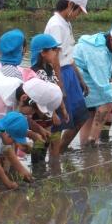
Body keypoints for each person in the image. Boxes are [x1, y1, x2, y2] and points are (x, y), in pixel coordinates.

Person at [73, 22, 112, 146]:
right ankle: (92, 141)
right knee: (107, 101)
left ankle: (86, 145)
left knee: (90, 113)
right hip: (78, 77)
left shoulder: (104, 41)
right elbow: (103, 85)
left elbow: (105, 78)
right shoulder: (98, 53)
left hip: (87, 77)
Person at [44, 0, 89, 152]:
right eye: (78, 11)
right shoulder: (56, 25)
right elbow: (54, 58)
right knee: (59, 122)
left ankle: (61, 150)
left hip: (69, 73)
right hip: (60, 74)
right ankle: (54, 158)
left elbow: (68, 55)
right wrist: (60, 85)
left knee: (80, 116)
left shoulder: (65, 23)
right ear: (70, 5)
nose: (78, 15)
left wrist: (80, 79)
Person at [30, 34, 70, 164]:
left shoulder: (49, 68)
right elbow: (43, 96)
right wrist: (53, 114)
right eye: (54, 49)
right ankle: (37, 166)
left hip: (50, 110)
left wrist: (63, 109)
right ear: (43, 53)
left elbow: (55, 90)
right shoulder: (36, 72)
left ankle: (42, 164)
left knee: (47, 139)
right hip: (41, 113)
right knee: (41, 139)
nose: (56, 52)